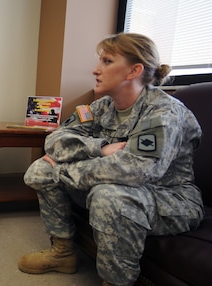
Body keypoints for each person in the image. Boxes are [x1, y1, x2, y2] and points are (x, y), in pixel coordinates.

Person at [18, 33, 204, 286]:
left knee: (109, 196)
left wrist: (64, 170)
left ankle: (117, 282)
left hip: (170, 199)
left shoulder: (164, 111)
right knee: (40, 170)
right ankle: (63, 252)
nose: (96, 70)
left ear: (133, 71)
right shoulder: (101, 106)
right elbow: (54, 140)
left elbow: (134, 171)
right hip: (118, 186)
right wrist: (101, 147)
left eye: (107, 61)